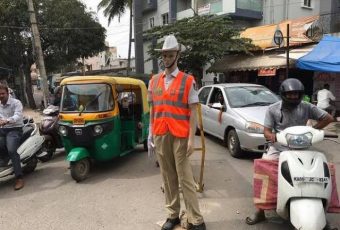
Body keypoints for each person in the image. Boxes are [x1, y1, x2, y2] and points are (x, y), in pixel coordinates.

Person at [245, 78, 336, 229]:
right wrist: (271, 136)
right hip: (279, 146)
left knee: (326, 170)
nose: (293, 97)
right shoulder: (273, 109)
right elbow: (267, 130)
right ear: (283, 94)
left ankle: (323, 212)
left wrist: (313, 130)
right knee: (263, 169)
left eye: (296, 94)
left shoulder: (306, 106)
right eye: (290, 94)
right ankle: (260, 211)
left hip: (303, 146)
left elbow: (328, 118)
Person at [148, 34, 206, 230]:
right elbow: (153, 110)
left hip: (180, 135)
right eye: (164, 55)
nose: (166, 59)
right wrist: (150, 134)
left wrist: (192, 139)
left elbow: (193, 112)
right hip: (160, 133)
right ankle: (172, 215)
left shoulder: (187, 80)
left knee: (185, 177)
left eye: (170, 55)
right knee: (167, 176)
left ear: (177, 56)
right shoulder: (154, 81)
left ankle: (196, 219)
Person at [0, 84, 25, 190]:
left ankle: (19, 178)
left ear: (7, 93)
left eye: (2, 93)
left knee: (12, 150)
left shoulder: (16, 103)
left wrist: (7, 120)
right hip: (2, 129)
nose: (0, 96)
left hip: (15, 129)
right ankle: (3, 161)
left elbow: (18, 115)